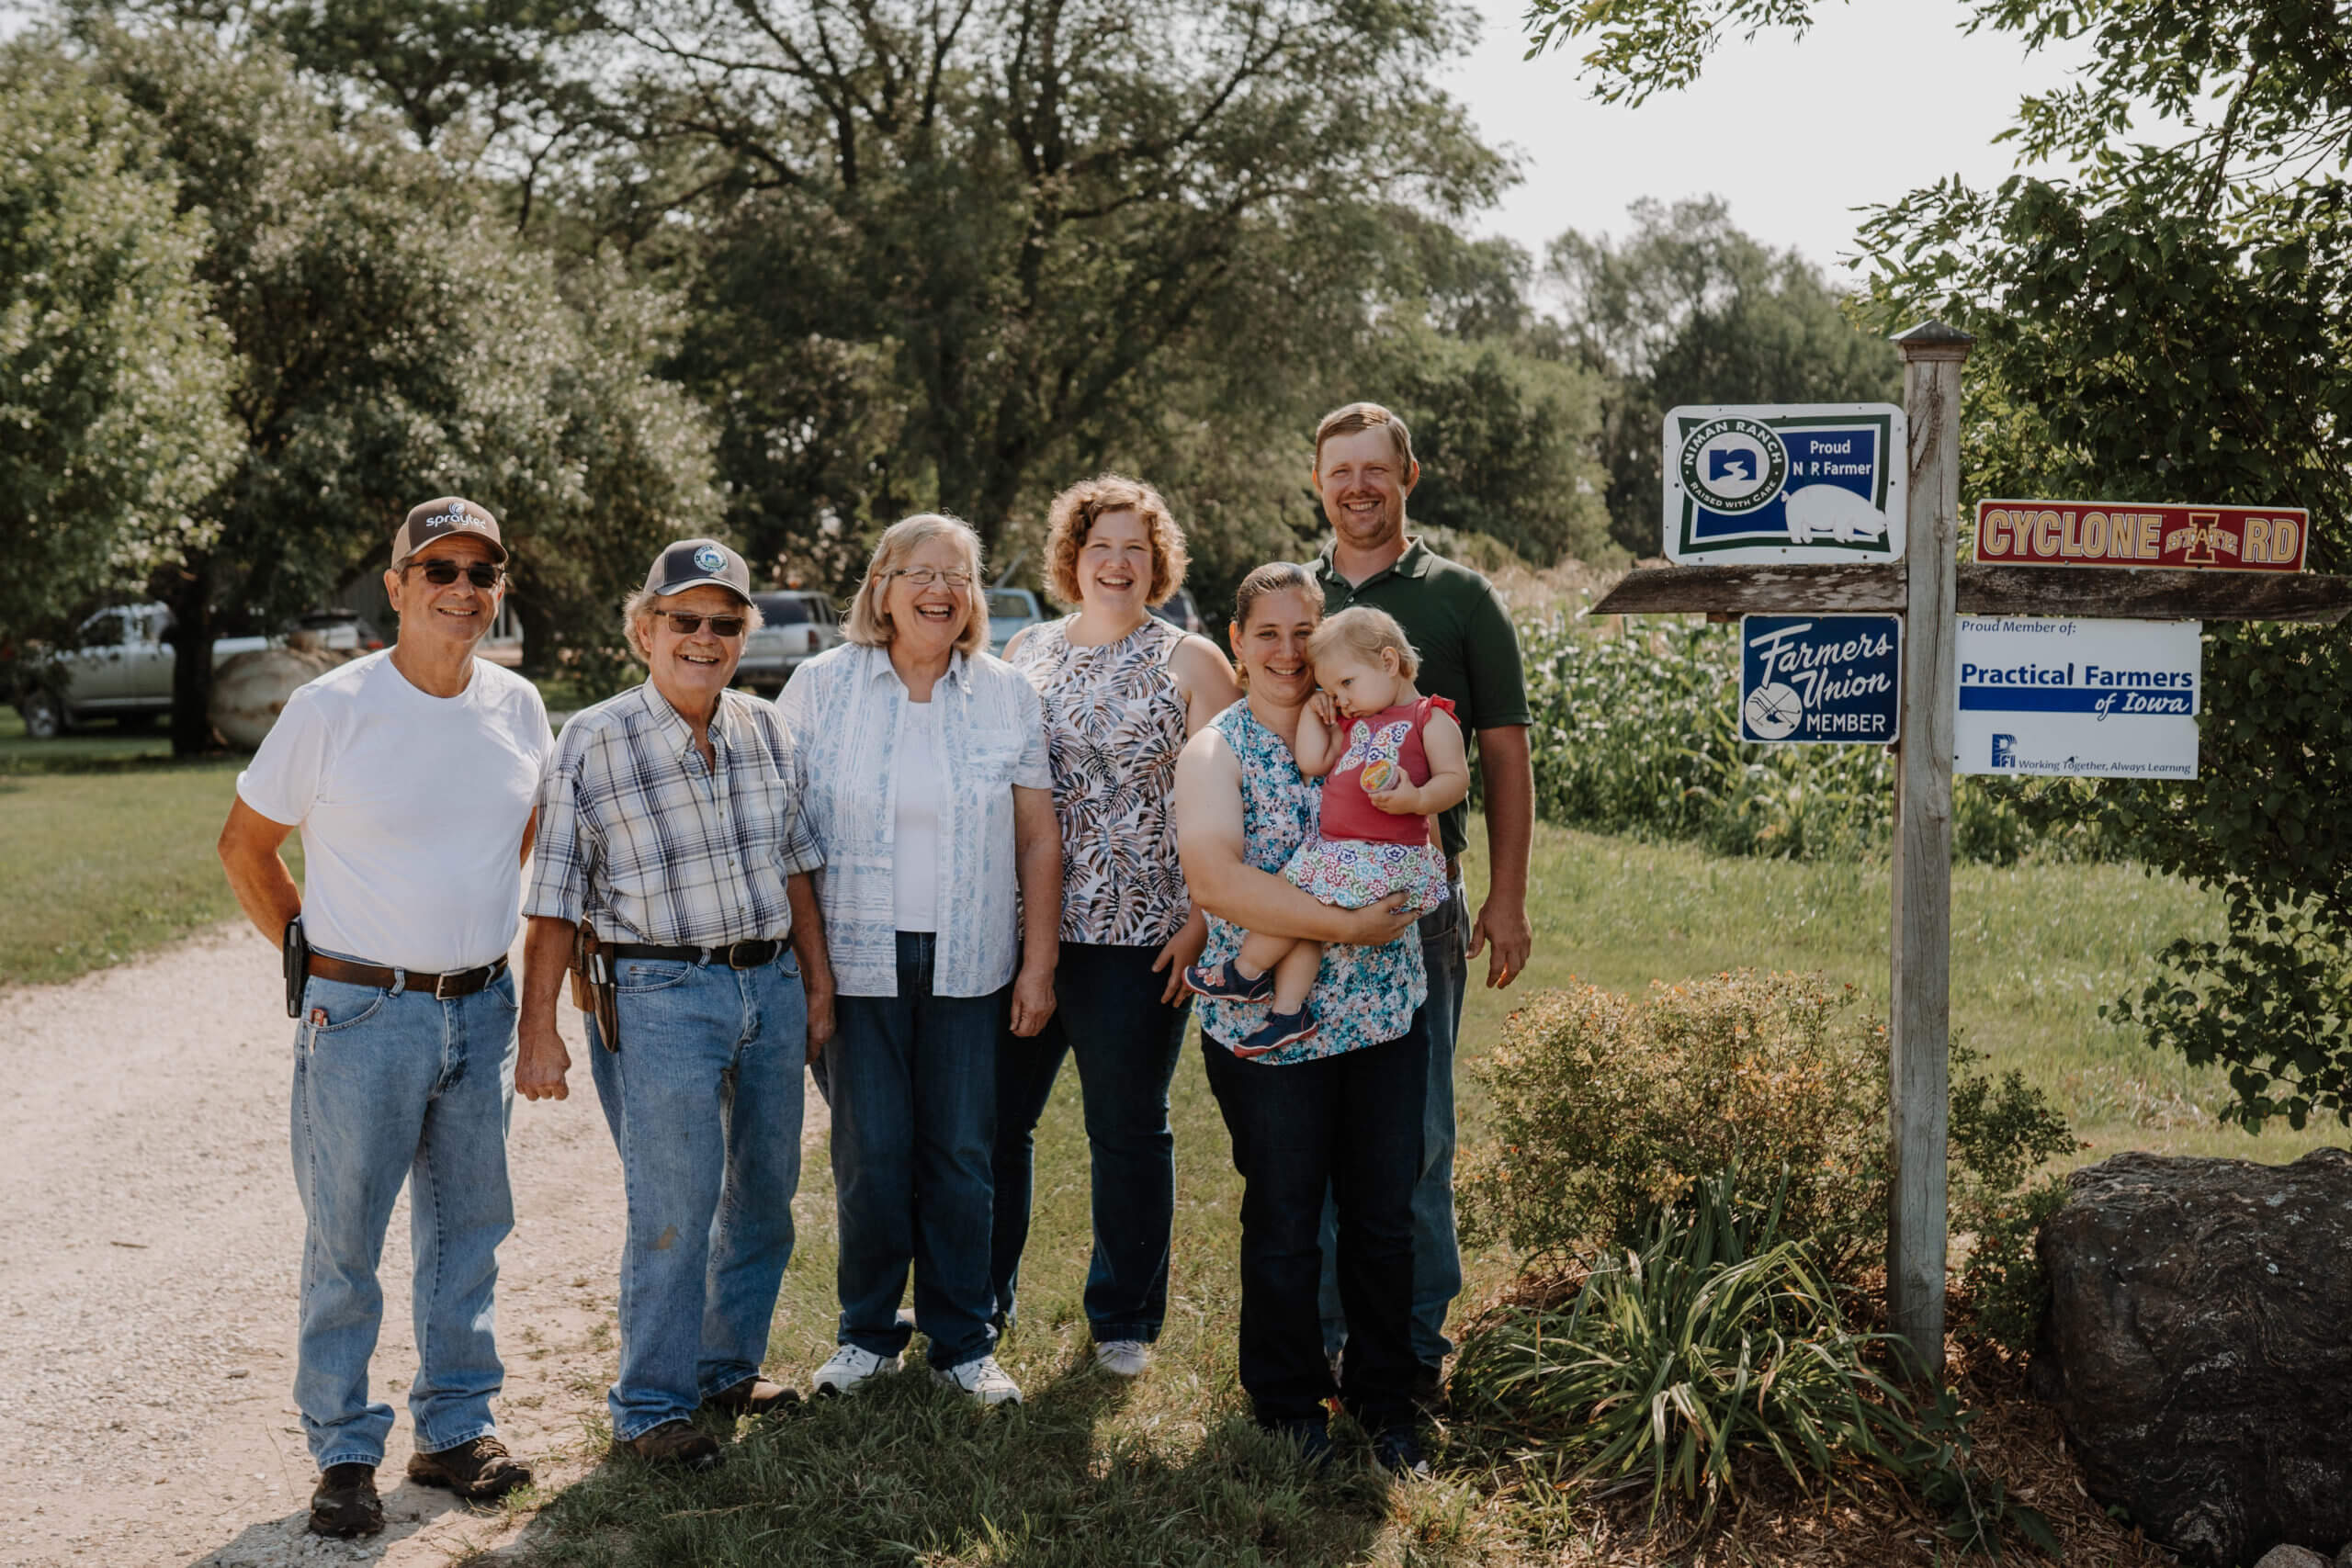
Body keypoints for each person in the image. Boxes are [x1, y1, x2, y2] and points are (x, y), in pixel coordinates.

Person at [216, 498, 552, 1539]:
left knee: (468, 1233)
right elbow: (245, 846)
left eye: (481, 571)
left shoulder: (518, 706)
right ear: (397, 586)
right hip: (361, 1013)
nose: (463, 588)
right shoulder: (331, 707)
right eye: (438, 569)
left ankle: (454, 1430)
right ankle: (346, 1450)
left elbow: (525, 840)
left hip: (479, 1006)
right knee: (346, 1237)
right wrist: (313, 962)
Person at [514, 537, 835, 1472]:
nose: (704, 638)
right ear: (644, 629)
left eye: (724, 624)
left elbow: (798, 867)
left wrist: (815, 988)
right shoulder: (592, 739)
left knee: (767, 1194)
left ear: (743, 636)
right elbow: (553, 899)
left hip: (767, 984)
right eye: (684, 620)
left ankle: (724, 1368)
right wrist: (540, 1031)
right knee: (672, 1206)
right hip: (655, 994)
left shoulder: (768, 730)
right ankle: (649, 1410)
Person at [781, 513, 1060, 1407]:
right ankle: (865, 1337)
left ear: (973, 598)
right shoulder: (821, 687)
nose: (939, 589)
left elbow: (1038, 840)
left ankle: (960, 1343)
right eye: (919, 572)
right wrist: (805, 970)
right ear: (881, 588)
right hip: (854, 964)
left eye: (957, 575)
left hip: (972, 963)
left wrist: (1039, 964)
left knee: (963, 1156)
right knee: (870, 1156)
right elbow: (782, 832)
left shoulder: (1007, 695)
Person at [1172, 562, 1430, 1471]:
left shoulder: (1375, 721)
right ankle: (1287, 1404)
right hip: (1266, 1037)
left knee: (1381, 1218)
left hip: (1382, 1014)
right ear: (1236, 644)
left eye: (1301, 631)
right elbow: (1216, 879)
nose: (1286, 651)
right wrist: (1344, 923)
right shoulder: (1216, 750)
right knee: (1284, 1219)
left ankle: (1386, 1398)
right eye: (1265, 633)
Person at [1306, 401, 1535, 1400]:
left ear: (1407, 476)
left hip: (1417, 905)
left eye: (1373, 469)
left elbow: (1502, 757)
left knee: (1419, 1130)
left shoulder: (1459, 597)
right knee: (1306, 1127)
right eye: (1337, 471)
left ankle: (1411, 1340)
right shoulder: (1294, 598)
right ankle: (1319, 1333)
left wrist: (1509, 896)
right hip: (1302, 901)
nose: (1356, 486)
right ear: (1318, 483)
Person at [989, 475, 1239, 1380]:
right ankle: (980, 1304)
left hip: (1144, 936)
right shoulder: (1025, 649)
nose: (1117, 563)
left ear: (1157, 561)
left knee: (1126, 1130)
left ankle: (1124, 1318)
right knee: (996, 1124)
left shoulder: (1192, 661)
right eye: (1101, 546)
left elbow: (1229, 801)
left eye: (1136, 547)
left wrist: (1206, 920)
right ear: (1072, 558)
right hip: (1026, 934)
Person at [1186, 606, 1466, 1055]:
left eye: (1346, 684)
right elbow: (1312, 762)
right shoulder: (1355, 722)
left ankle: (1247, 969)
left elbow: (1456, 779)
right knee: (1303, 915)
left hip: (1385, 856)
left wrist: (1416, 800)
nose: (1341, 697)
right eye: (1332, 688)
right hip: (1342, 854)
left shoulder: (1428, 718)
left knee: (1299, 900)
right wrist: (1318, 713)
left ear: (1389, 663)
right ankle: (1287, 1012)